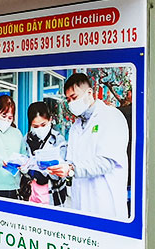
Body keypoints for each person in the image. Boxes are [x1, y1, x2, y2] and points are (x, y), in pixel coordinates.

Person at [48, 73, 129, 220]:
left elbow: (107, 161)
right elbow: (71, 161)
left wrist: (72, 169)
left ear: (89, 93)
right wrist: (58, 167)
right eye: (68, 99)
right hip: (80, 201)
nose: (71, 103)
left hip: (105, 202)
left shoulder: (110, 117)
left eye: (74, 97)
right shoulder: (75, 126)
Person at [21, 102, 68, 206]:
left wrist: (45, 172)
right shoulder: (26, 140)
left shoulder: (58, 140)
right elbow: (23, 163)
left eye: (43, 125)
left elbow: (61, 173)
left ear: (50, 120)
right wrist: (26, 170)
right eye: (35, 126)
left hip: (53, 195)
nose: (40, 129)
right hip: (32, 194)